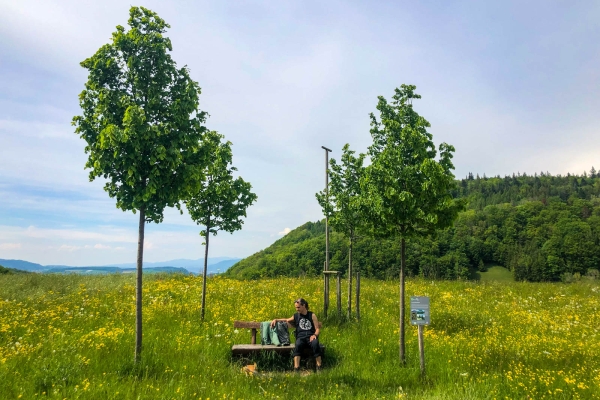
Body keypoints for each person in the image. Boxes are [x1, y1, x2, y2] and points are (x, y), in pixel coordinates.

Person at [271, 298, 322, 372]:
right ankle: (296, 368)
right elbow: (286, 320)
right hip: (301, 337)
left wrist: (315, 335)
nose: (297, 309)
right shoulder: (296, 316)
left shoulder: (312, 315)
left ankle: (319, 366)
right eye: (296, 307)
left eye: (298, 307)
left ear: (304, 305)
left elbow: (317, 328)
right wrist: (276, 320)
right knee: (298, 345)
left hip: (310, 336)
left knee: (315, 344)